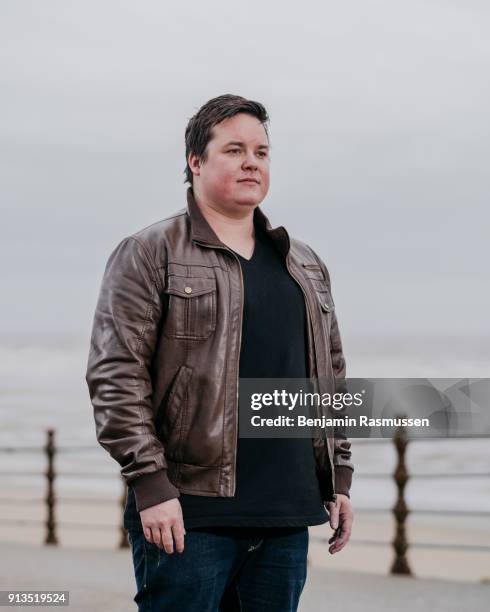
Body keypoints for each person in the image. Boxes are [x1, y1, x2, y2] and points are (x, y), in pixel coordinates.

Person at [86, 94, 354, 611]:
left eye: (261, 151)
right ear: (195, 162)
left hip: (285, 514)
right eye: (234, 149)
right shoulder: (150, 251)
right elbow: (115, 375)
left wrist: (338, 476)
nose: (251, 161)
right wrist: (150, 484)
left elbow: (331, 378)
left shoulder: (305, 264)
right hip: (189, 512)